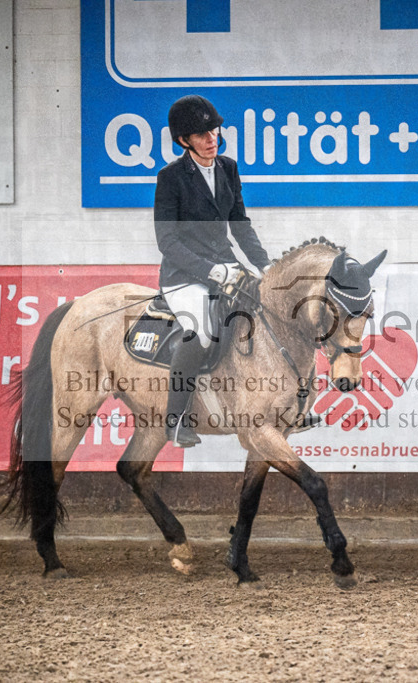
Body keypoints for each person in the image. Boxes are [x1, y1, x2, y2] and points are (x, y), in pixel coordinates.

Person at [154, 94, 271, 447]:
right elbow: (167, 242)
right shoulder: (170, 178)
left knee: (266, 315)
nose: (212, 138)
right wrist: (210, 271)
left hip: (228, 265)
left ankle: (276, 406)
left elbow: (240, 223)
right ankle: (176, 420)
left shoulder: (228, 168)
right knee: (201, 331)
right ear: (183, 140)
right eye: (202, 134)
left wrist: (265, 265)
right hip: (184, 275)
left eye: (214, 130)